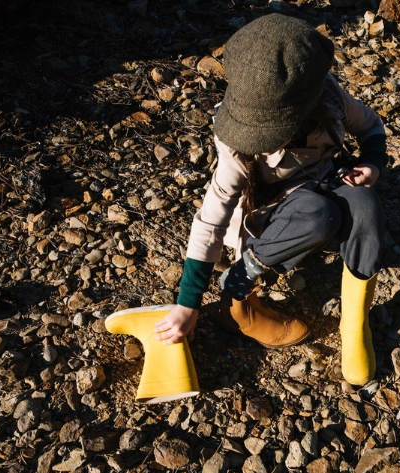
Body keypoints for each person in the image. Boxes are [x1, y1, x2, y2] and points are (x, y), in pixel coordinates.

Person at [154, 13, 387, 385]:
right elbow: (212, 217)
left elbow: (372, 127)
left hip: (323, 181)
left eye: (269, 130)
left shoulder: (329, 98)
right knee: (318, 214)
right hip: (274, 215)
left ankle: (354, 322)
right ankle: (238, 288)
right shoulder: (236, 144)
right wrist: (187, 303)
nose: (259, 138)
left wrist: (371, 166)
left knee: (365, 204)